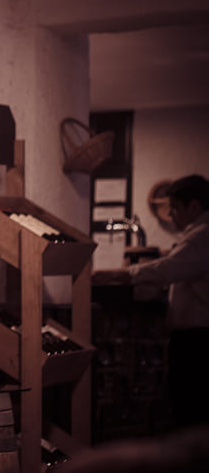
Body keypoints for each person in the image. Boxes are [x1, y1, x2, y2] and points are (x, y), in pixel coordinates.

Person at [92, 174, 209, 428]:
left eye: (176, 208)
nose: (173, 215)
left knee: (192, 412)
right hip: (194, 338)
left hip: (198, 340)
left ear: (195, 207)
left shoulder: (202, 235)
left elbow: (169, 268)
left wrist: (125, 274)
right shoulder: (197, 235)